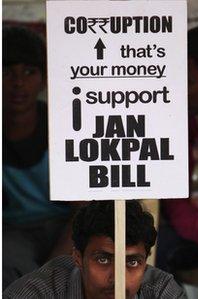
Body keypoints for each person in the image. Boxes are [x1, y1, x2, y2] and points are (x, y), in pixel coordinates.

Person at [2, 25, 74, 289]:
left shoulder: (64, 125)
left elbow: (84, 210)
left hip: (69, 228)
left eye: (29, 72)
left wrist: (52, 269)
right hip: (13, 232)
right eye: (7, 72)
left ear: (44, 80)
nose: (18, 83)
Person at [3, 200, 186, 299]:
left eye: (132, 262)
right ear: (77, 257)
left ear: (146, 261)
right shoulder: (37, 293)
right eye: (103, 259)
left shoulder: (160, 290)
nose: (117, 277)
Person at [157, 22, 198, 275]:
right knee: (153, 247)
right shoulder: (191, 119)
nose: (175, 90)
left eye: (186, 80)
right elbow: (178, 207)